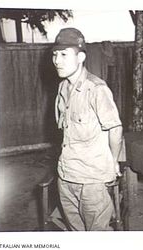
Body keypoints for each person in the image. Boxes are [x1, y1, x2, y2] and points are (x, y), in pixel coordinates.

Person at [52, 28, 123, 231]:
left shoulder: (96, 89)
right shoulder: (62, 88)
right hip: (66, 175)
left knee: (96, 235)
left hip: (91, 181)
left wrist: (113, 162)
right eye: (55, 54)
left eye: (64, 54)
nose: (57, 60)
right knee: (76, 232)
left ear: (81, 57)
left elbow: (115, 128)